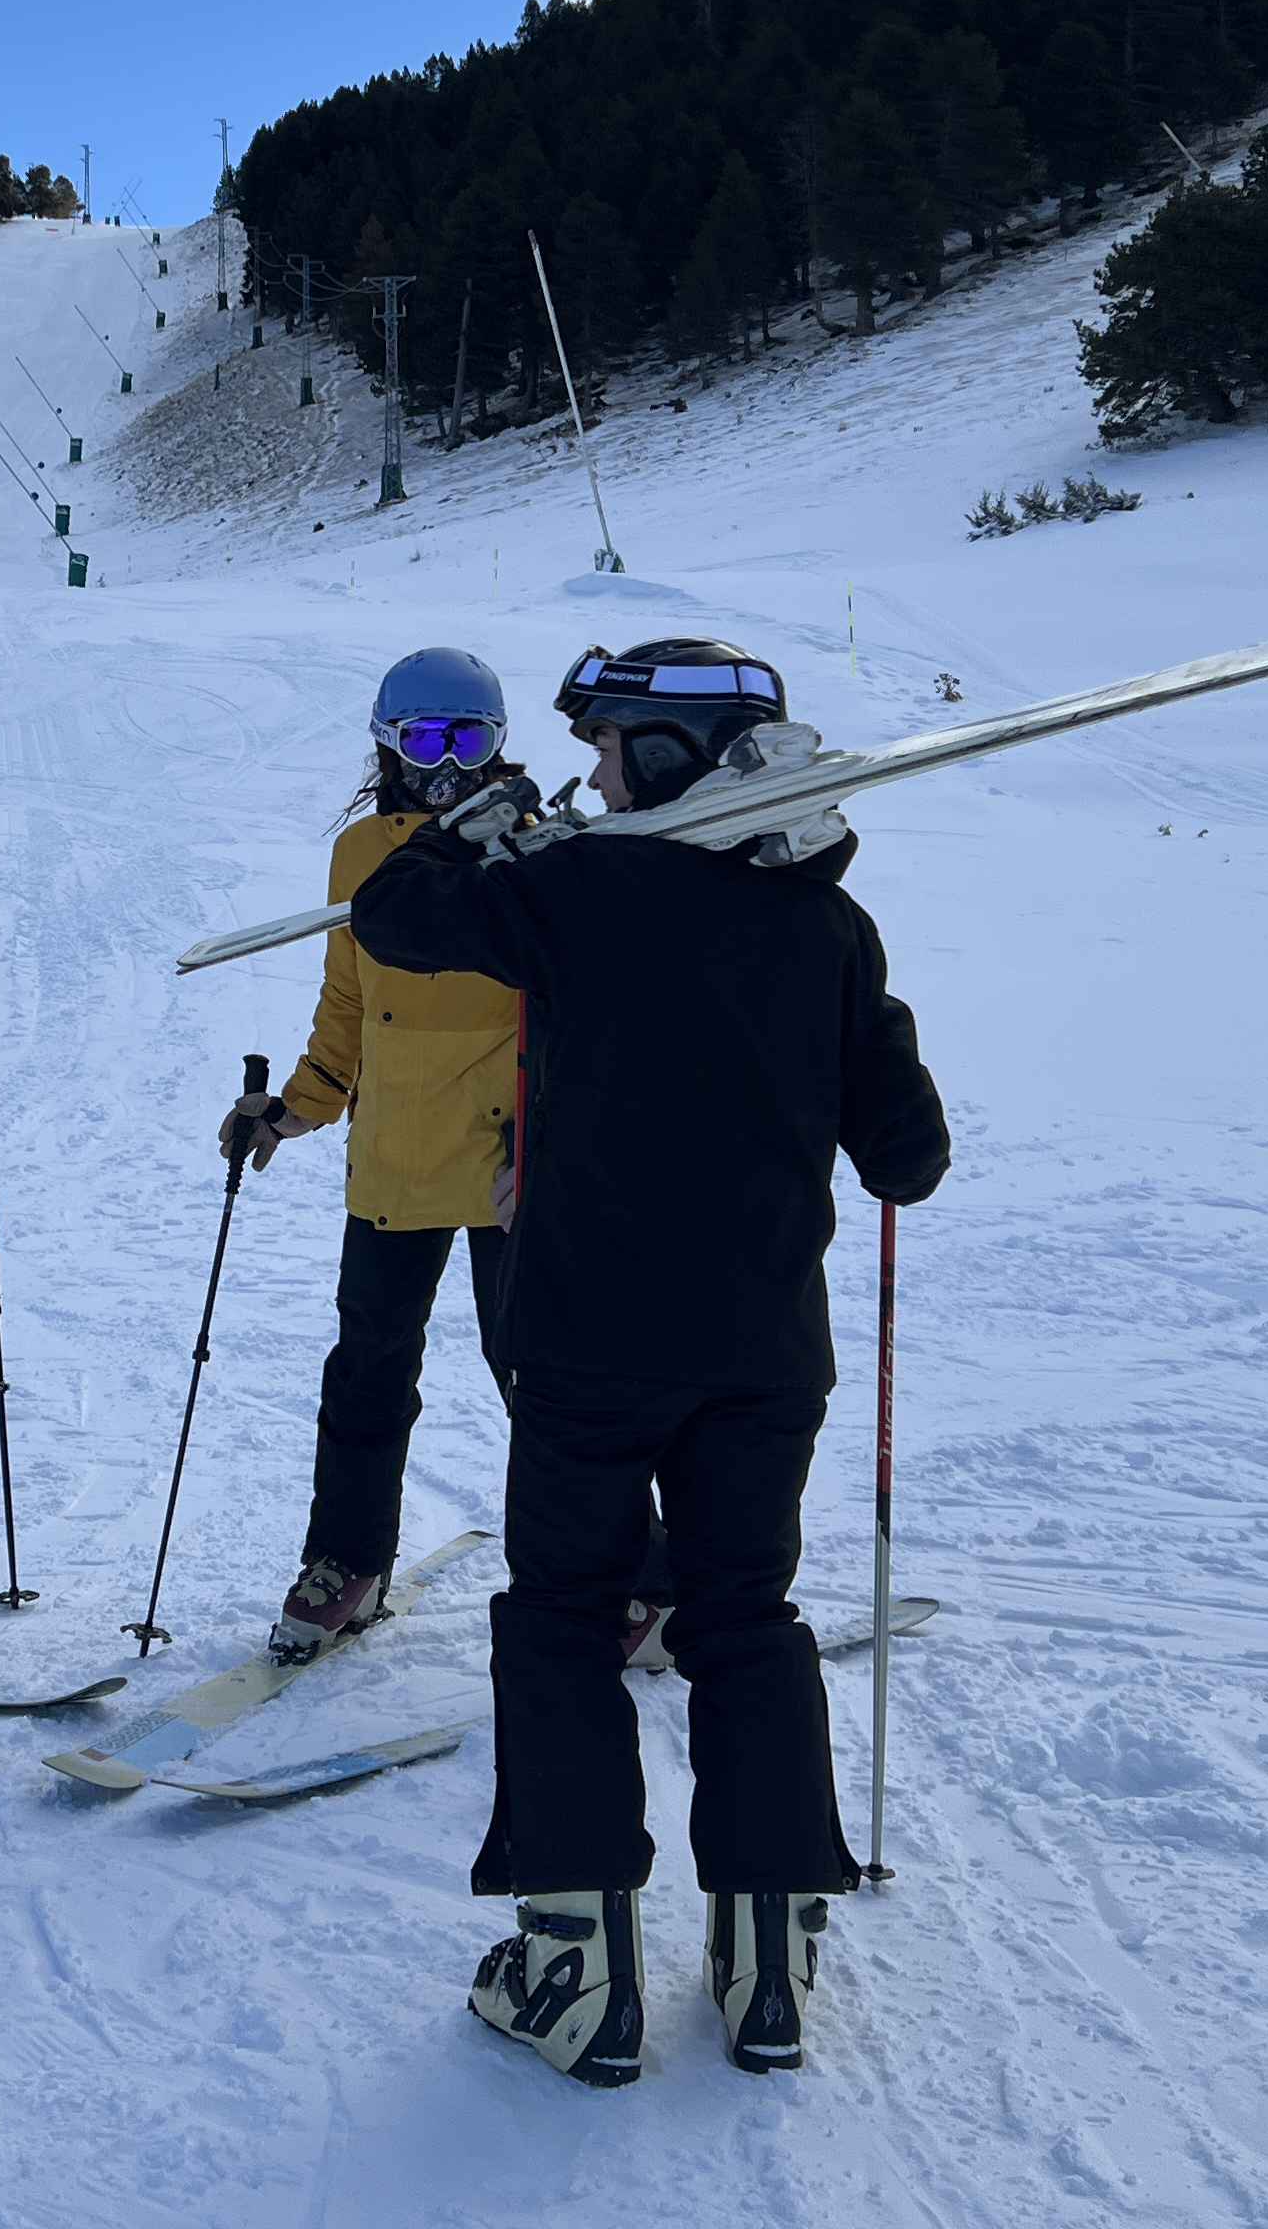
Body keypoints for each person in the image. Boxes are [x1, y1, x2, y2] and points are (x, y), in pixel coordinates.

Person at [347, 636, 948, 2086]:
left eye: (614, 748)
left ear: (674, 758)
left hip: (589, 1344)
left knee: (562, 1616)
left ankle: (578, 1966)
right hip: (759, 1350)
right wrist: (863, 1027)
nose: (595, 774)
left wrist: (475, 836)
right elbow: (909, 1161)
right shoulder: (829, 926)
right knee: (741, 1616)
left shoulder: (581, 890)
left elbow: (393, 916)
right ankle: (768, 1963)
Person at [215, 649, 535, 1664]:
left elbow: (571, 1007)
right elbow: (350, 997)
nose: (448, 764)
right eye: (426, 739)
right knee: (367, 1368)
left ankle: (621, 1566)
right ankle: (346, 1560)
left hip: (508, 1160)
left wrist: (548, 1141)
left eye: (470, 739)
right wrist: (297, 1108)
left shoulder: (535, 846)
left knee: (540, 1374)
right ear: (387, 744)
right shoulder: (361, 852)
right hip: (397, 1147)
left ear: (499, 745)